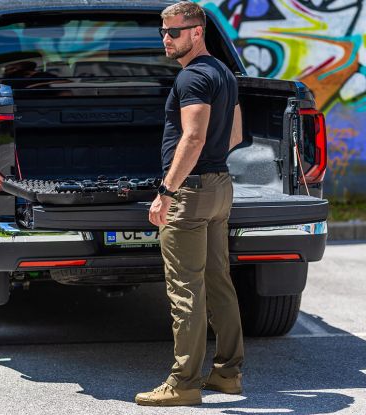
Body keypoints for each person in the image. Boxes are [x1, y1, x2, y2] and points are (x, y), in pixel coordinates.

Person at [135, 1, 244, 407]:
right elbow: (234, 134)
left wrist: (166, 191)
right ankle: (228, 374)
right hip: (219, 187)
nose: (167, 38)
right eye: (163, 32)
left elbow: (193, 138)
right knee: (219, 281)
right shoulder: (223, 73)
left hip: (190, 193)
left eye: (174, 32)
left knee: (186, 290)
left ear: (197, 32)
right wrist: (210, 171)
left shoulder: (194, 78)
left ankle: (183, 383)